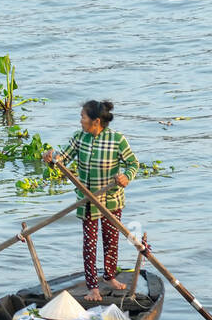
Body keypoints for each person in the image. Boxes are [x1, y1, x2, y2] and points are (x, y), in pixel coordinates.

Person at [43, 100, 140, 302]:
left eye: (83, 117)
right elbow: (62, 159)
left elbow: (133, 163)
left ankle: (110, 276)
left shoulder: (117, 140)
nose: (80, 121)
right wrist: (51, 158)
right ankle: (93, 287)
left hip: (111, 199)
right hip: (87, 200)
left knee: (111, 240)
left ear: (96, 121)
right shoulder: (80, 138)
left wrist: (126, 177)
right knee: (89, 243)